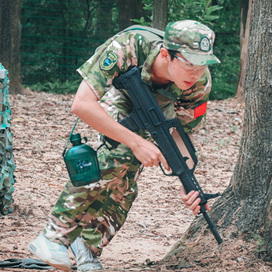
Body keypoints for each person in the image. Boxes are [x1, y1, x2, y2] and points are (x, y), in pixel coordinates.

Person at [28, 20, 220, 272]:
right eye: (190, 64)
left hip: (158, 111)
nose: (196, 73)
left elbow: (180, 134)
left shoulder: (199, 83)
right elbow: (82, 104)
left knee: (127, 181)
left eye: (203, 65)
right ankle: (52, 237)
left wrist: (186, 182)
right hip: (119, 94)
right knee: (119, 155)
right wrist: (135, 141)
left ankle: (87, 247)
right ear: (166, 54)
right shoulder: (129, 46)